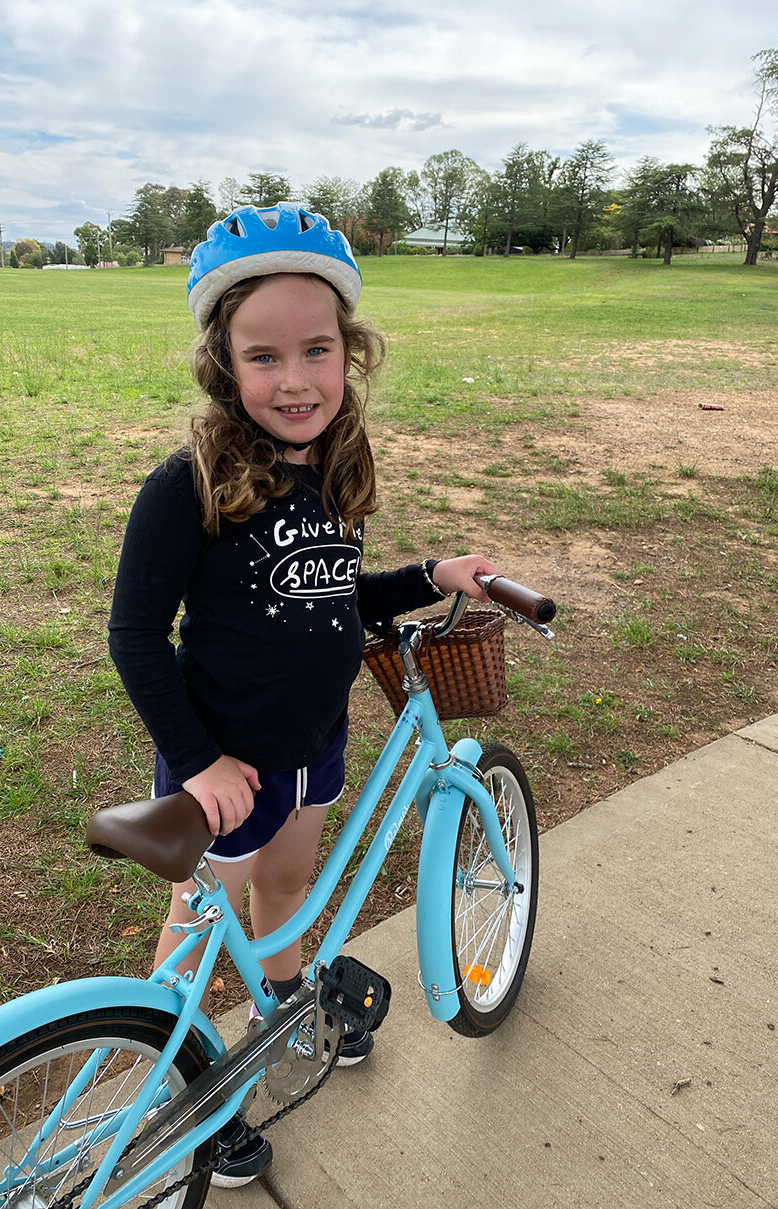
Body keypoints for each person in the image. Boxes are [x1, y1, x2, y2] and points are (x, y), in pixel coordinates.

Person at [108, 202, 500, 1188]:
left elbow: (336, 595)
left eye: (316, 350)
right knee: (198, 932)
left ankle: (281, 999)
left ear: (348, 352)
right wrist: (199, 763)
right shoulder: (186, 485)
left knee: (286, 887)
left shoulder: (332, 468)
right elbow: (134, 635)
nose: (295, 379)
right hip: (222, 766)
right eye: (265, 356)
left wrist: (431, 576)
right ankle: (169, 1095)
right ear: (225, 364)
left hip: (311, 744)